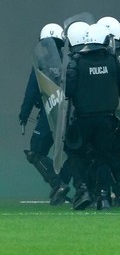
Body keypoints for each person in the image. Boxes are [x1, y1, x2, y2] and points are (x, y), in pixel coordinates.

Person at [64, 24, 120, 211]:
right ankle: (103, 198)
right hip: (107, 120)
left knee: (74, 153)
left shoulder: (76, 62)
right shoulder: (113, 61)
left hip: (83, 118)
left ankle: (82, 190)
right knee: (103, 157)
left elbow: (68, 91)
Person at [20, 23, 71, 205]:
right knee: (75, 154)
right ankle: (78, 187)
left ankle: (58, 184)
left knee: (36, 151)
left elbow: (32, 90)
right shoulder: (71, 60)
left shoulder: (41, 63)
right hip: (71, 115)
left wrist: (24, 114)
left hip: (49, 113)